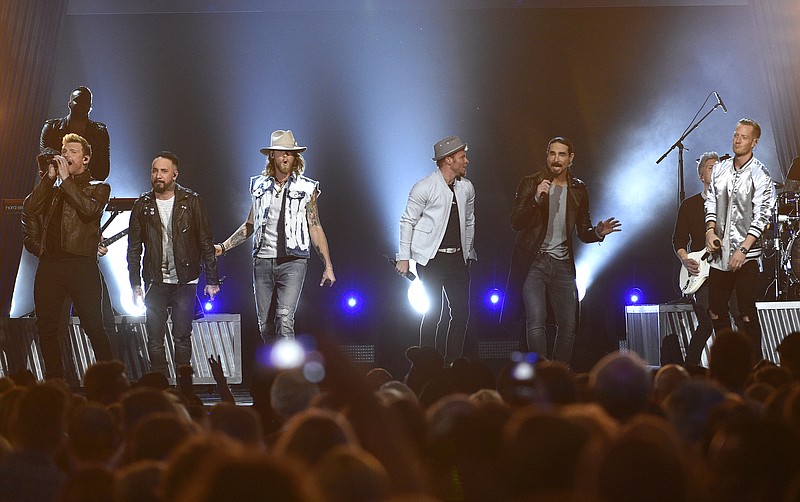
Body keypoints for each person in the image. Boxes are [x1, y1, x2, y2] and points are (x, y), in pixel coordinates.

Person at [501, 136, 620, 365]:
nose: (556, 159)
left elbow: (583, 230)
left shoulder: (578, 189)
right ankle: (542, 371)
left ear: (570, 158)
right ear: (547, 156)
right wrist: (535, 198)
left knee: (568, 325)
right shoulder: (531, 182)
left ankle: (560, 372)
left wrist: (597, 232)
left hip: (563, 263)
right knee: (536, 319)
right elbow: (516, 222)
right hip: (533, 261)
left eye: (562, 154)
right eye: (552, 154)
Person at [214, 130, 335, 343]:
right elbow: (250, 224)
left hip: (293, 262)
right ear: (272, 155)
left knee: (285, 319)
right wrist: (223, 247)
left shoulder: (306, 188)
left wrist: (328, 266)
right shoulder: (259, 186)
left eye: (290, 153)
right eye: (281, 153)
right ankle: (274, 373)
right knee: (266, 326)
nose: (286, 157)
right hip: (262, 261)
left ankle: (289, 375)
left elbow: (314, 226)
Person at [22, 133, 114, 379]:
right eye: (64, 150)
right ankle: (55, 381)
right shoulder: (54, 188)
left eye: (72, 151)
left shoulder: (99, 188)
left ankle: (110, 378)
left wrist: (64, 181)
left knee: (93, 325)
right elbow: (30, 209)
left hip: (81, 265)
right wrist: (49, 179)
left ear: (85, 159)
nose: (66, 155)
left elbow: (89, 210)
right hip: (50, 265)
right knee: (47, 327)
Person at [127, 151, 220, 376]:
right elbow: (134, 248)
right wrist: (135, 283)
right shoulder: (142, 204)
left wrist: (212, 279)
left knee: (182, 335)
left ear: (175, 174)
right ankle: (159, 385)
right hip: (155, 280)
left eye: (163, 171)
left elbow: (205, 241)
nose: (158, 175)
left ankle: (184, 382)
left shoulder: (192, 201)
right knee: (154, 336)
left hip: (185, 280)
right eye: (154, 170)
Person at [395, 136, 476, 364]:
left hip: (457, 259)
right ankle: (427, 363)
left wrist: (468, 251)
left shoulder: (466, 188)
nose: (466, 161)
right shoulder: (424, 187)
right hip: (431, 260)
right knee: (433, 314)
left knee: (461, 313)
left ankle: (453, 362)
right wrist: (403, 257)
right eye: (462, 157)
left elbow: (469, 220)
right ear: (448, 160)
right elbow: (407, 221)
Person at [705, 118, 776, 363]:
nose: (737, 140)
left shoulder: (761, 174)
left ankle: (755, 364)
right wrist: (710, 230)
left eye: (743, 137)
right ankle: (728, 360)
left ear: (754, 142)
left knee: (746, 312)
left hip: (747, 254)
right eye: (736, 135)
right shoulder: (721, 169)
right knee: (715, 310)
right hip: (719, 253)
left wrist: (744, 248)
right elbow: (711, 201)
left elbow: (763, 214)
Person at [673, 152, 741, 366]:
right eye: (711, 167)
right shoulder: (689, 205)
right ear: (702, 174)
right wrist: (685, 260)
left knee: (739, 316)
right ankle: (691, 366)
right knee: (708, 322)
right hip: (700, 272)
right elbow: (679, 239)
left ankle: (737, 369)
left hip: (728, 268)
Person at [39, 86, 110, 181]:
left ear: (90, 106)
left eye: (85, 102)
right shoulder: (51, 128)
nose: (81, 104)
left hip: (87, 188)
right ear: (69, 104)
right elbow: (45, 161)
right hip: (56, 186)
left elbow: (103, 169)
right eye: (78, 100)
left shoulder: (99, 132)